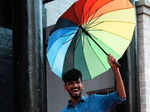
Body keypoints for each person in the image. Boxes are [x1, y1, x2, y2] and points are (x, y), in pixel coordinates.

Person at [61, 54, 126, 112]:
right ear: (65, 87)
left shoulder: (95, 100)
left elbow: (121, 96)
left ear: (82, 85)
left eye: (77, 82)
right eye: (71, 83)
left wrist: (115, 69)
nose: (75, 85)